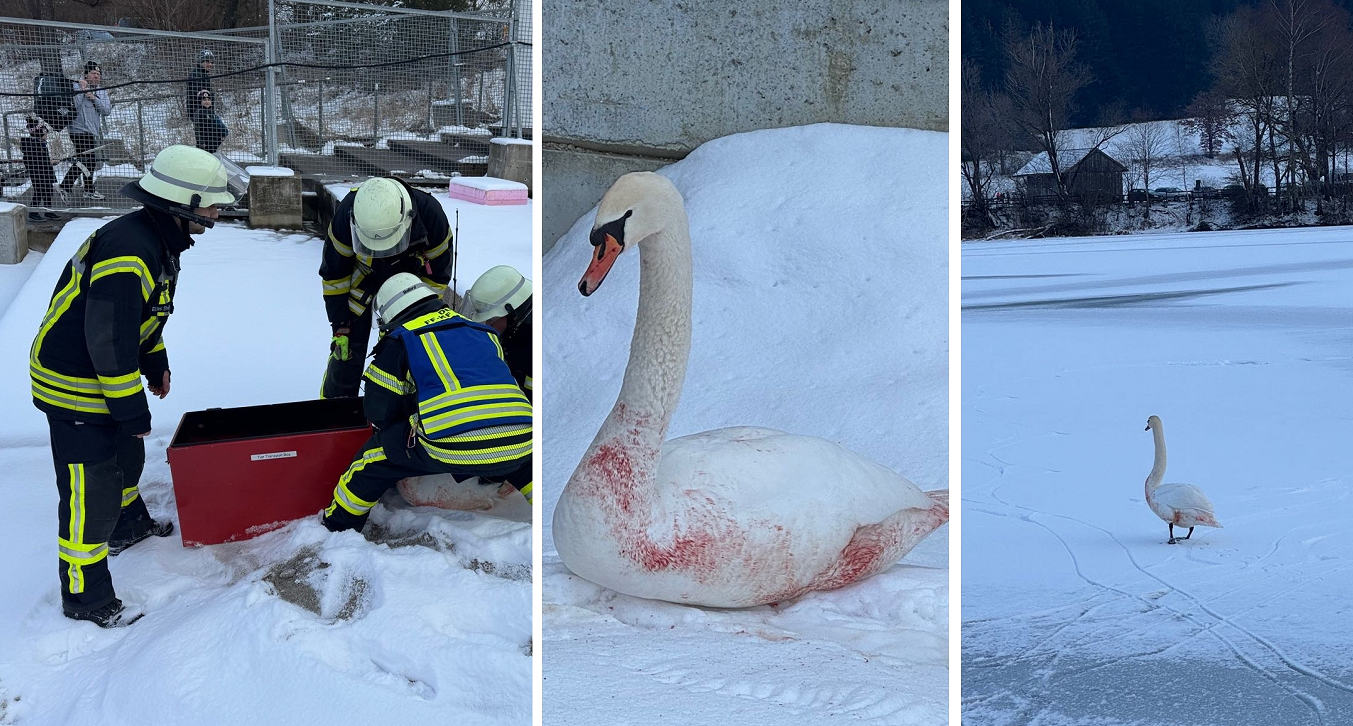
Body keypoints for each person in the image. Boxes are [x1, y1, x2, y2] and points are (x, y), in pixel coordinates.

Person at [30, 144, 236, 628]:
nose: (217, 211)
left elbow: (140, 319)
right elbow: (108, 341)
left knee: (127, 458)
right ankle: (85, 597)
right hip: (73, 383)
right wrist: (131, 410)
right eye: (211, 203)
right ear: (182, 203)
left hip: (102, 372)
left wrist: (155, 360)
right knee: (91, 490)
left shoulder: (157, 238)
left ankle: (127, 526)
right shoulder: (129, 251)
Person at [321, 273, 533, 533]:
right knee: (524, 466)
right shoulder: (484, 332)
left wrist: (411, 414)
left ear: (390, 316)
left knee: (371, 461)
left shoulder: (400, 339)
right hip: (522, 438)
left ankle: (337, 528)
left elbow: (379, 411)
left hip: (451, 445)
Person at [318, 176, 452, 399]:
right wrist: (340, 324)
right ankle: (334, 408)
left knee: (402, 353)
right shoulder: (347, 213)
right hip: (362, 282)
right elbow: (335, 276)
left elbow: (438, 277)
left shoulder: (430, 215)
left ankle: (395, 405)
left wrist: (421, 316)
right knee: (345, 354)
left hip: (409, 288)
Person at [461, 265, 532, 401]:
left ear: (510, 312)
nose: (488, 325)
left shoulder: (527, 348)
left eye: (490, 319)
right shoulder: (517, 327)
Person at [58, 61, 111, 200]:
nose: (96, 76)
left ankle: (88, 190)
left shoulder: (101, 91)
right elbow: (72, 106)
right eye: (93, 73)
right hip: (77, 130)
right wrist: (82, 91)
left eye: (98, 74)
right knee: (85, 159)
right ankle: (65, 186)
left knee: (90, 161)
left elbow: (106, 110)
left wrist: (94, 98)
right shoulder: (75, 86)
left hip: (92, 130)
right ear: (86, 75)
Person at [186, 50, 228, 154]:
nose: (210, 64)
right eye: (207, 61)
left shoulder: (204, 75)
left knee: (217, 135)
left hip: (206, 112)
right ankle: (206, 156)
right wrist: (205, 109)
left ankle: (208, 154)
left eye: (212, 62)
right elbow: (199, 96)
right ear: (200, 62)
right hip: (201, 113)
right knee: (206, 140)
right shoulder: (196, 75)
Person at [19, 115, 59, 221]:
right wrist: (49, 162)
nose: (47, 135)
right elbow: (33, 160)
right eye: (45, 133)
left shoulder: (40, 144)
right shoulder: (33, 145)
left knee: (48, 190)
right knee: (40, 191)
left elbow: (42, 158)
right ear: (39, 133)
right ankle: (33, 212)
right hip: (38, 173)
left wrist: (49, 161)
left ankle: (48, 211)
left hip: (45, 171)